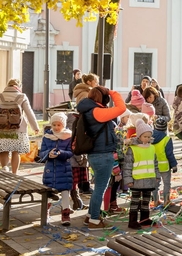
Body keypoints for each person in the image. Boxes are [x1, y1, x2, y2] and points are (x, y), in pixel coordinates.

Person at [77, 86, 126, 229]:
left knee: (98, 187)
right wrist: (113, 92)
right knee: (100, 188)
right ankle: (94, 220)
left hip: (96, 154)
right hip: (103, 155)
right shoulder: (97, 112)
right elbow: (121, 108)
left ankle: (90, 216)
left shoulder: (89, 110)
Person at [123, 120, 159, 229]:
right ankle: (132, 221)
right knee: (135, 201)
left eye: (149, 137)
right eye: (145, 136)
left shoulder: (152, 148)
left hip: (149, 180)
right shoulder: (133, 149)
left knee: (146, 200)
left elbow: (155, 163)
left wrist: (157, 176)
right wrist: (128, 179)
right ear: (139, 136)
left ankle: (144, 219)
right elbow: (128, 166)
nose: (147, 139)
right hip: (136, 181)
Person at [39, 113, 73, 226]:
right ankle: (46, 211)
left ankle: (65, 213)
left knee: (64, 191)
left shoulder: (68, 137)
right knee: (48, 191)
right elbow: (41, 152)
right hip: (50, 169)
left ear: (63, 125)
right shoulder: (47, 137)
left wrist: (60, 153)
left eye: (59, 124)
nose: (56, 127)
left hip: (63, 169)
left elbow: (70, 153)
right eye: (54, 124)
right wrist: (48, 154)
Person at [0, 79, 39, 174]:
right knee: (15, 151)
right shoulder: (22, 96)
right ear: (19, 86)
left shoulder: (0, 96)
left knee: (3, 149)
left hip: (2, 129)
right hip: (18, 129)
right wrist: (35, 127)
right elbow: (29, 113)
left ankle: (4, 168)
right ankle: (14, 173)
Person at [151, 117, 177, 206]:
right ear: (165, 128)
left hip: (153, 166)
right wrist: (174, 165)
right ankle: (166, 201)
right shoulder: (167, 139)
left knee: (155, 184)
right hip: (164, 166)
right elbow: (170, 154)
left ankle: (155, 201)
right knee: (166, 184)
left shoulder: (149, 138)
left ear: (155, 127)